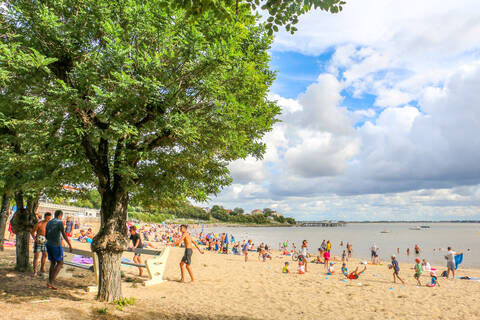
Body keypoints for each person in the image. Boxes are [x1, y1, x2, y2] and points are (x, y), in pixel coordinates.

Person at [45, 210, 72, 290]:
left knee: (52, 263)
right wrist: (69, 244)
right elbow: (63, 234)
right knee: (60, 262)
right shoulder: (60, 222)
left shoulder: (49, 222)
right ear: (60, 215)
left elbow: (46, 235)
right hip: (56, 245)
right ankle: (51, 282)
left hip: (48, 244)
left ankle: (50, 281)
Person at [31, 212, 52, 277]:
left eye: (49, 218)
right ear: (45, 217)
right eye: (47, 218)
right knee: (36, 256)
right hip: (38, 241)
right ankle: (35, 271)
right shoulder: (39, 224)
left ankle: (42, 268)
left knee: (45, 255)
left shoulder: (50, 225)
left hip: (46, 242)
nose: (48, 219)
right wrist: (35, 239)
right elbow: (32, 232)